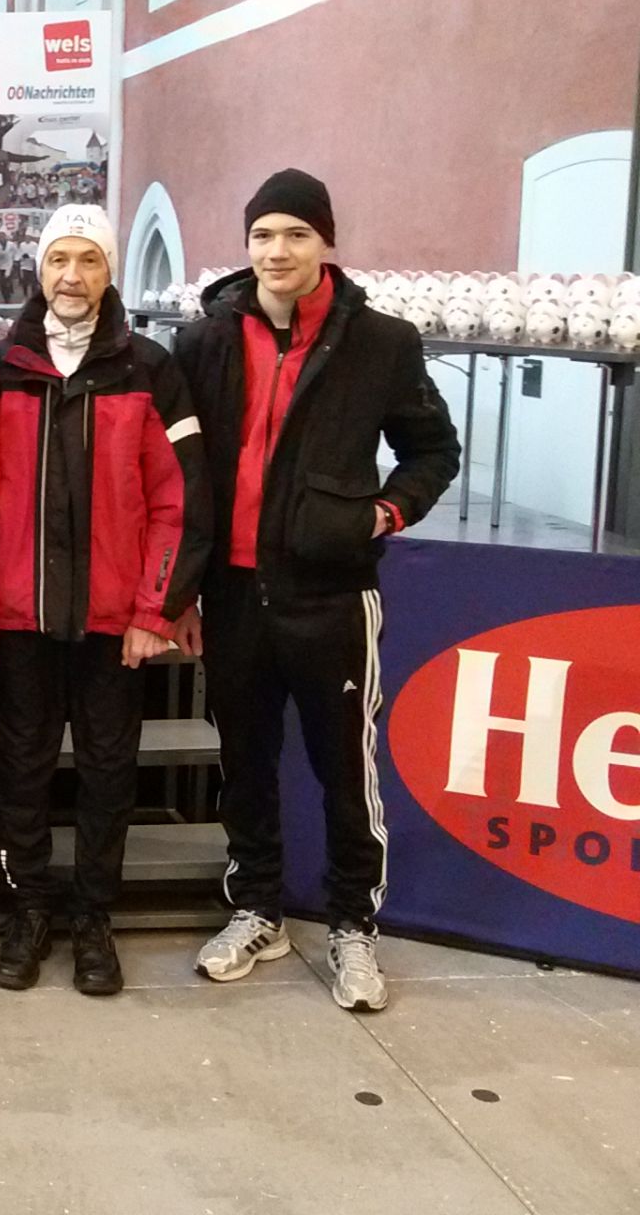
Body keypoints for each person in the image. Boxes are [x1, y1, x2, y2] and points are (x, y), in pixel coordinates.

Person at [172, 170, 460, 1013]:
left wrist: (382, 514)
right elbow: (175, 469)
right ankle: (257, 909)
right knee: (245, 762)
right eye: (263, 235)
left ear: (325, 242)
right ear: (246, 245)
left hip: (331, 592)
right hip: (233, 593)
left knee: (343, 769)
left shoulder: (381, 342)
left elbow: (433, 450)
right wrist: (181, 587)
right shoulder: (205, 341)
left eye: (296, 234)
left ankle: (353, 926)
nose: (278, 251)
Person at [0, 205, 210, 996]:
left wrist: (154, 610)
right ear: (38, 269)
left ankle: (94, 915)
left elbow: (180, 498)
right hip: (20, 616)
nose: (72, 275)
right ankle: (29, 909)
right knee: (22, 769)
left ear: (109, 272)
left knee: (108, 772)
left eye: (89, 260)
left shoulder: (150, 369)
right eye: (59, 259)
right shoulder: (1, 367)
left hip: (115, 624)